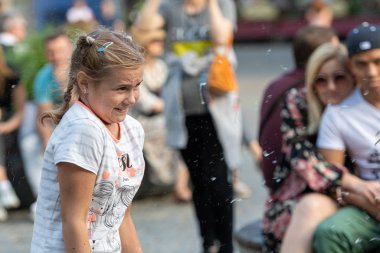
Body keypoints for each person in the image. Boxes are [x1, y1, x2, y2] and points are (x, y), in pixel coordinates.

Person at [134, 0, 238, 252]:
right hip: (180, 110)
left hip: (215, 107)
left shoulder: (221, 5)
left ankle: (225, 243)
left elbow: (222, 36)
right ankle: (207, 241)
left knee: (219, 180)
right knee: (198, 180)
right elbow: (142, 29)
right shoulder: (171, 8)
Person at [30, 28, 145, 253]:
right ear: (84, 82)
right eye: (122, 88)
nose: (131, 98)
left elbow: (122, 217)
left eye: (137, 86)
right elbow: (75, 222)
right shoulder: (83, 130)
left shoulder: (132, 129)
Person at [278, 42, 355, 253]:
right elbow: (304, 163)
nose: (330, 86)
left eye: (339, 77)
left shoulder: (364, 103)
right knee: (311, 207)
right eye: (321, 81)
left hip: (356, 197)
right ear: (312, 84)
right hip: (307, 195)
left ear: (353, 77)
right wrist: (352, 183)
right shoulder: (298, 101)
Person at [313, 22, 380, 253]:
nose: (371, 72)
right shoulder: (339, 113)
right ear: (351, 67)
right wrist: (365, 203)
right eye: (362, 64)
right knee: (330, 233)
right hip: (370, 203)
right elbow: (331, 179)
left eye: (377, 61)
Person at [258, 25, 338, 191]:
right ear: (321, 56)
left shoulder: (276, 84)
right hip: (297, 185)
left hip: (273, 179)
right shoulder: (307, 92)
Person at [130, 15, 192, 202]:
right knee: (174, 128)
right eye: (155, 40)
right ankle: (175, 184)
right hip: (144, 119)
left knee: (186, 127)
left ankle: (180, 185)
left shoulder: (162, 66)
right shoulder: (137, 70)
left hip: (164, 116)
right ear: (146, 44)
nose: (160, 44)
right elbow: (147, 103)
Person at [19, 30, 73, 220]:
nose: (56, 56)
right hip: (56, 124)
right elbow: (44, 115)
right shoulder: (43, 77)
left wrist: (63, 84)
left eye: (60, 50)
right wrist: (47, 141)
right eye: (51, 52)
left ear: (70, 49)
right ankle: (43, 199)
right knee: (31, 145)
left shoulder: (82, 72)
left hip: (79, 123)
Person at [0, 45, 25, 221]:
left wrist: (6, 126)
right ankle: (3, 185)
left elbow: (21, 110)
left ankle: (3, 188)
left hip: (9, 125)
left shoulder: (12, 75)